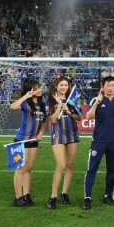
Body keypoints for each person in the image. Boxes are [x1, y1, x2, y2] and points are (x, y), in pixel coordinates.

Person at [83, 76, 114, 210]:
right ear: (103, 87)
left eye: (113, 85)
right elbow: (88, 116)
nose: (111, 87)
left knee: (112, 170)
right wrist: (96, 103)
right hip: (99, 141)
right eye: (108, 85)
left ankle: (107, 195)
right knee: (91, 170)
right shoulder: (96, 100)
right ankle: (87, 198)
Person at [9, 79, 47, 207]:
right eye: (35, 88)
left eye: (38, 87)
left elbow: (44, 121)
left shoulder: (42, 104)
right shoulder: (26, 104)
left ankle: (26, 195)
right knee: (21, 169)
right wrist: (26, 96)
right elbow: (13, 107)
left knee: (29, 168)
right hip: (21, 139)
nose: (38, 90)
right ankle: (18, 198)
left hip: (33, 141)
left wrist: (40, 134)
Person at [45, 77, 81, 209]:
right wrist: (60, 106)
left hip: (72, 134)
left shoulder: (72, 100)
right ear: (56, 86)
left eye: (66, 85)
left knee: (70, 165)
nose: (64, 87)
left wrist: (69, 111)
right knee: (61, 165)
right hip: (58, 135)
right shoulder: (50, 100)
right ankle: (53, 196)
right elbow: (53, 120)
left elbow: (79, 117)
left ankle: (64, 193)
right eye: (61, 85)